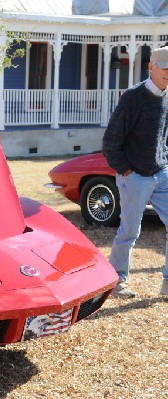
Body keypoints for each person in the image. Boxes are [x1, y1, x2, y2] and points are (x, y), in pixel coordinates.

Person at [102, 45, 168, 298]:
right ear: (151, 66)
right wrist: (125, 170)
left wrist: (164, 159)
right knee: (129, 231)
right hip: (135, 176)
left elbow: (165, 135)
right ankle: (117, 282)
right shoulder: (132, 97)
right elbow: (111, 141)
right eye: (164, 68)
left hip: (162, 173)